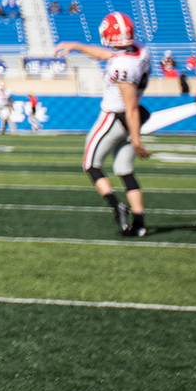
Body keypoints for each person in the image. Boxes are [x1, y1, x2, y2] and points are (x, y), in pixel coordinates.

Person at [56, 12, 153, 237]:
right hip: (133, 114)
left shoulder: (123, 66)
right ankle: (139, 223)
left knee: (91, 165)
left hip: (116, 117)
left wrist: (137, 141)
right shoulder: (138, 49)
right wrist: (77, 45)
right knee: (124, 170)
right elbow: (107, 55)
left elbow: (128, 107)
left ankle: (116, 206)